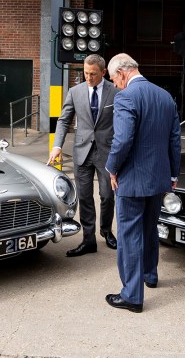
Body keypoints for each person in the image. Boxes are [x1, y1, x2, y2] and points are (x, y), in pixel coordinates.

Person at [104, 53, 181, 313]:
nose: (114, 85)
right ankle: (150, 275)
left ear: (123, 73)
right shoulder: (165, 96)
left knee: (129, 235)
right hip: (159, 178)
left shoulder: (126, 96)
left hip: (132, 179)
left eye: (114, 79)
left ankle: (132, 296)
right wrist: (173, 175)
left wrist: (112, 168)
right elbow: (174, 140)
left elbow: (123, 139)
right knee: (149, 229)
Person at [47, 54, 120, 257]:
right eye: (86, 73)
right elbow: (63, 121)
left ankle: (106, 231)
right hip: (82, 151)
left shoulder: (115, 92)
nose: (88, 77)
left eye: (93, 74)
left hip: (107, 152)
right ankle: (89, 240)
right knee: (86, 197)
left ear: (103, 73)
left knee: (107, 195)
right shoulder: (75, 92)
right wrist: (57, 146)